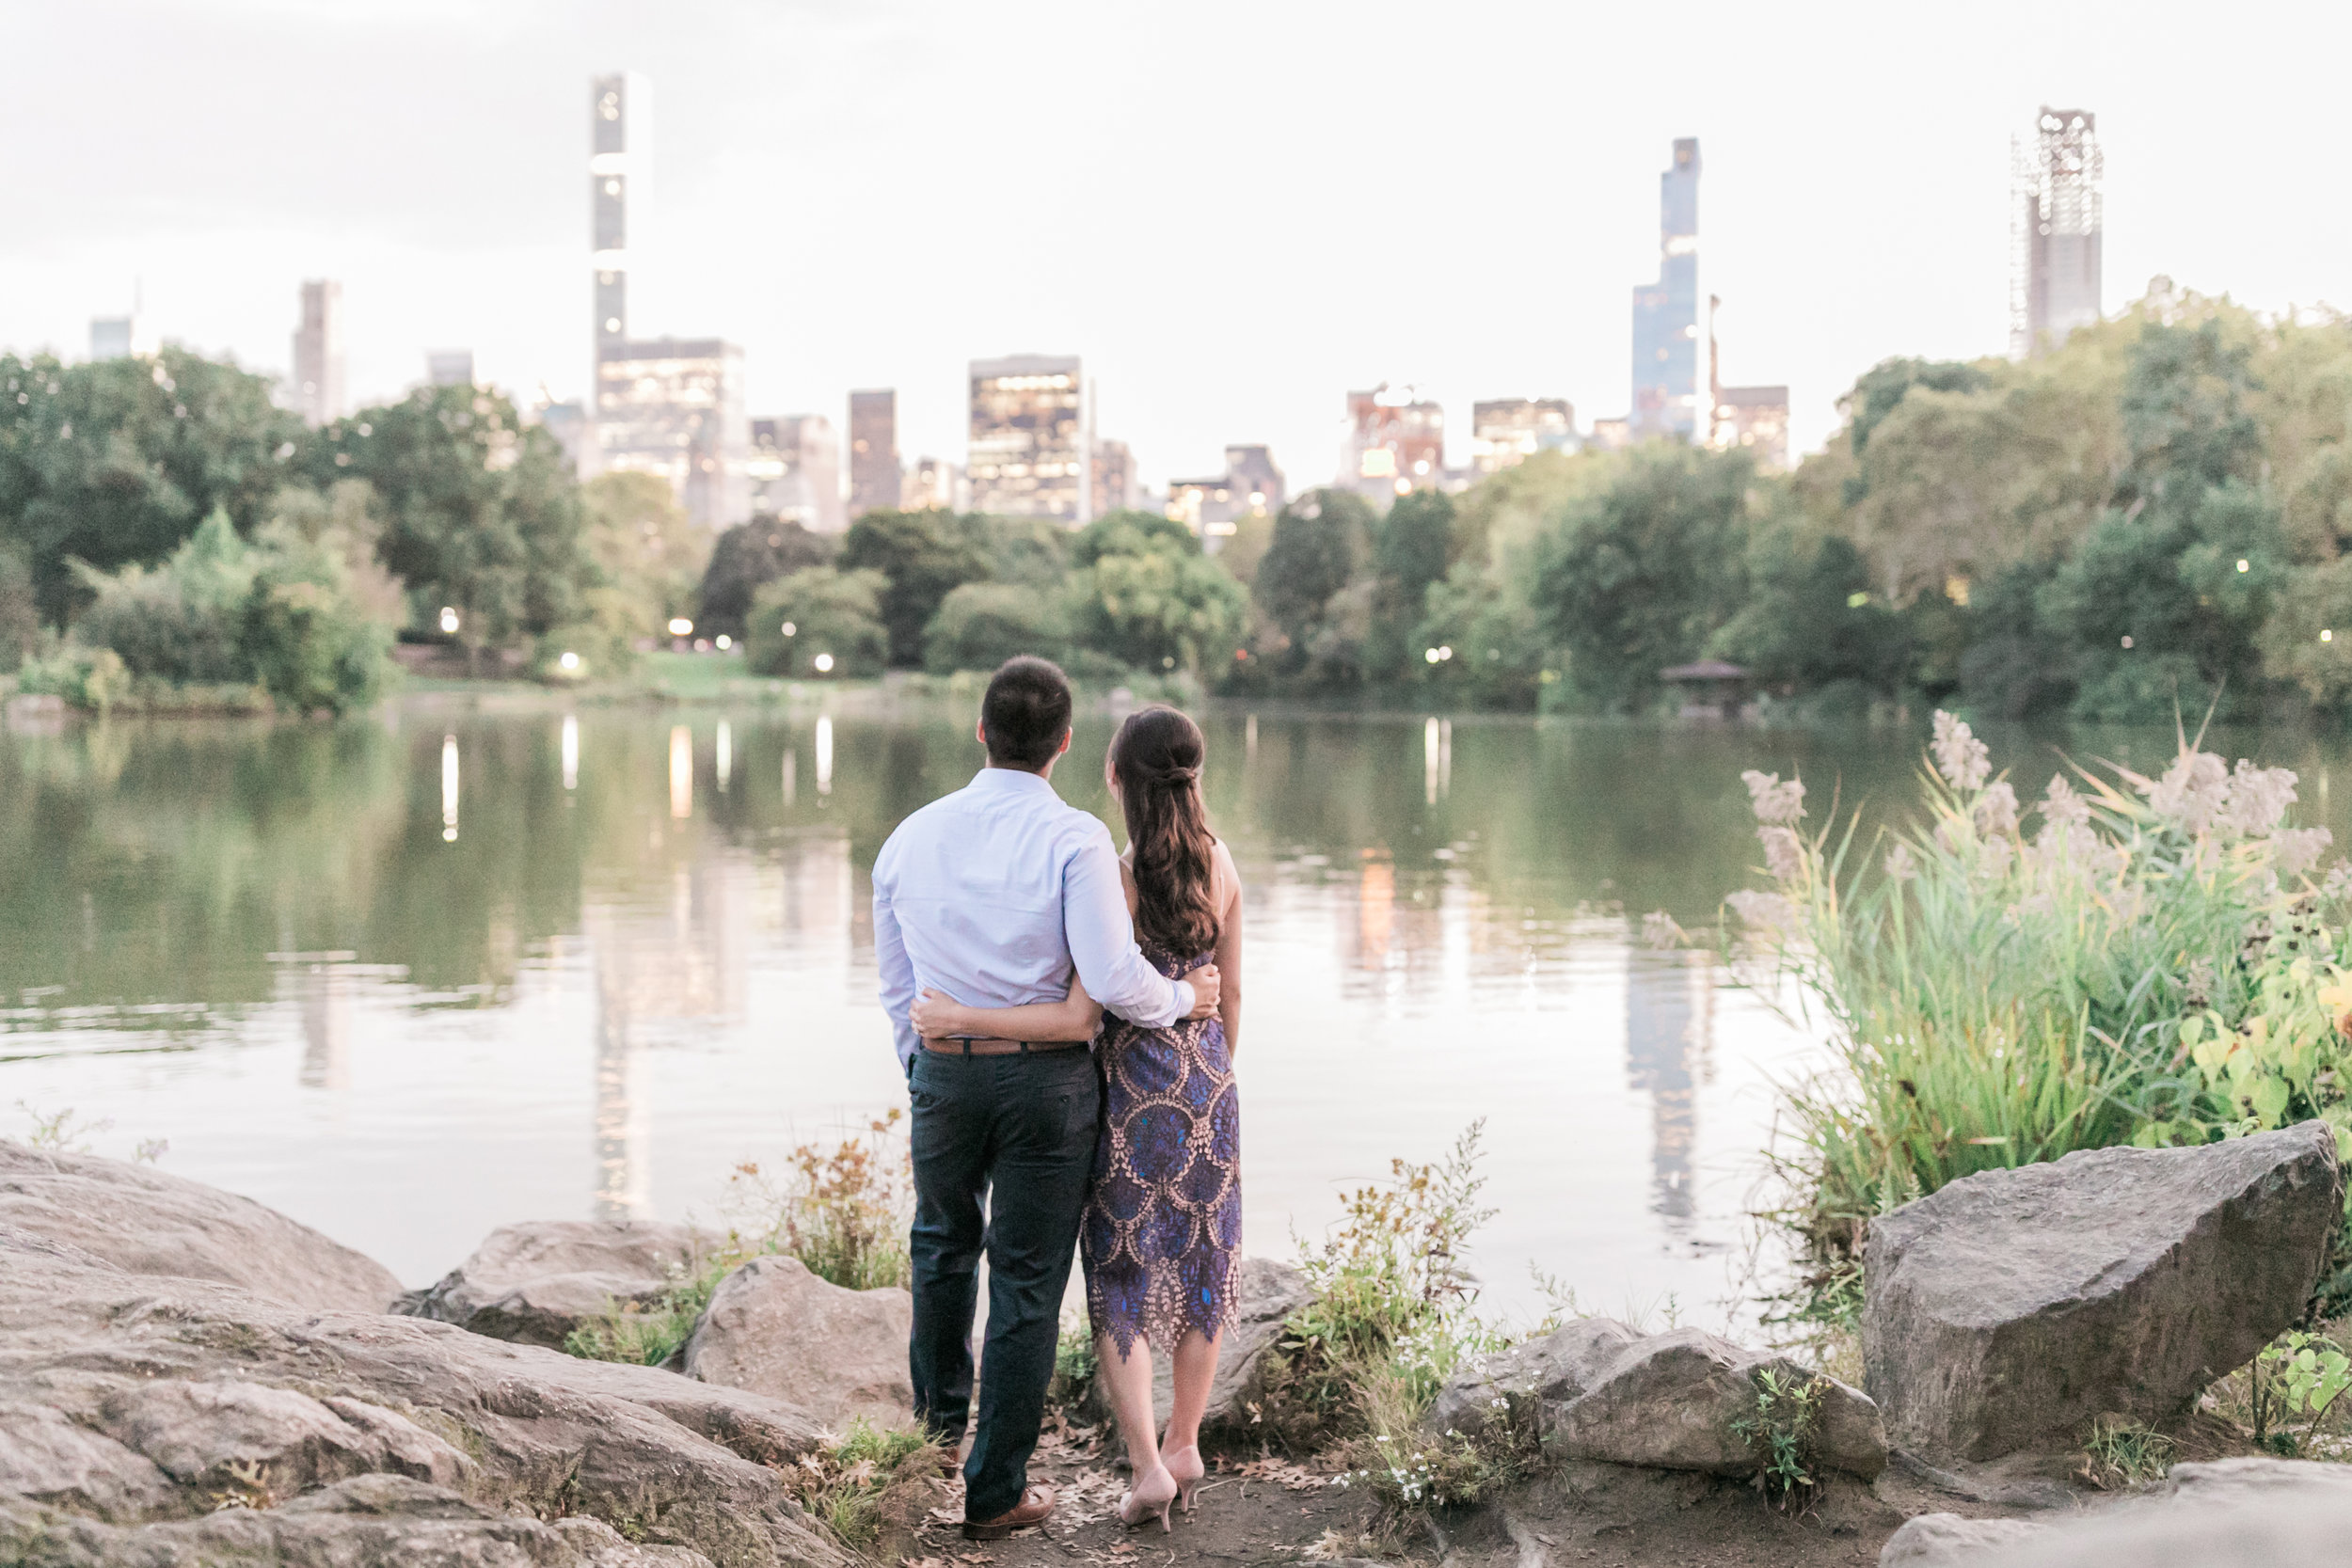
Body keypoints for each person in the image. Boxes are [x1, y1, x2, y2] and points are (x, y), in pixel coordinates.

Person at [872, 659, 1220, 1541]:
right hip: (1047, 1086)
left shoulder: (908, 837)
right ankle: (995, 1489)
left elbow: (894, 983)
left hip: (946, 1071)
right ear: (1065, 743)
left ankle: (937, 1439)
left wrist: (925, 1062)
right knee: (1026, 1277)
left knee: (940, 1249)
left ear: (981, 730)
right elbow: (1111, 979)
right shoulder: (1076, 842)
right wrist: (1187, 1000)